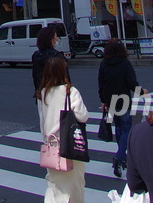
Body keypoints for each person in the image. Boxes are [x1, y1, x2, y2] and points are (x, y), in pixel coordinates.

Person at [36, 55, 89, 202]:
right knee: (75, 186)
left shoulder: (43, 93)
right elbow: (83, 116)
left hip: (52, 146)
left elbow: (43, 122)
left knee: (54, 186)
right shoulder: (70, 92)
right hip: (70, 146)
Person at [98, 39, 146, 177]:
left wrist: (103, 101)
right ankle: (119, 158)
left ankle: (122, 157)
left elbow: (101, 84)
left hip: (110, 100)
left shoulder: (103, 64)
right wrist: (142, 92)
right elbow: (132, 83)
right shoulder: (125, 63)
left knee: (119, 128)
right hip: (123, 99)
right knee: (126, 129)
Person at [32, 26, 62, 92]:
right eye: (56, 36)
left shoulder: (36, 56)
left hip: (42, 91)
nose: (58, 39)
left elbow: (35, 77)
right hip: (57, 93)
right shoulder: (58, 56)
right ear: (51, 40)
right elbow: (64, 78)